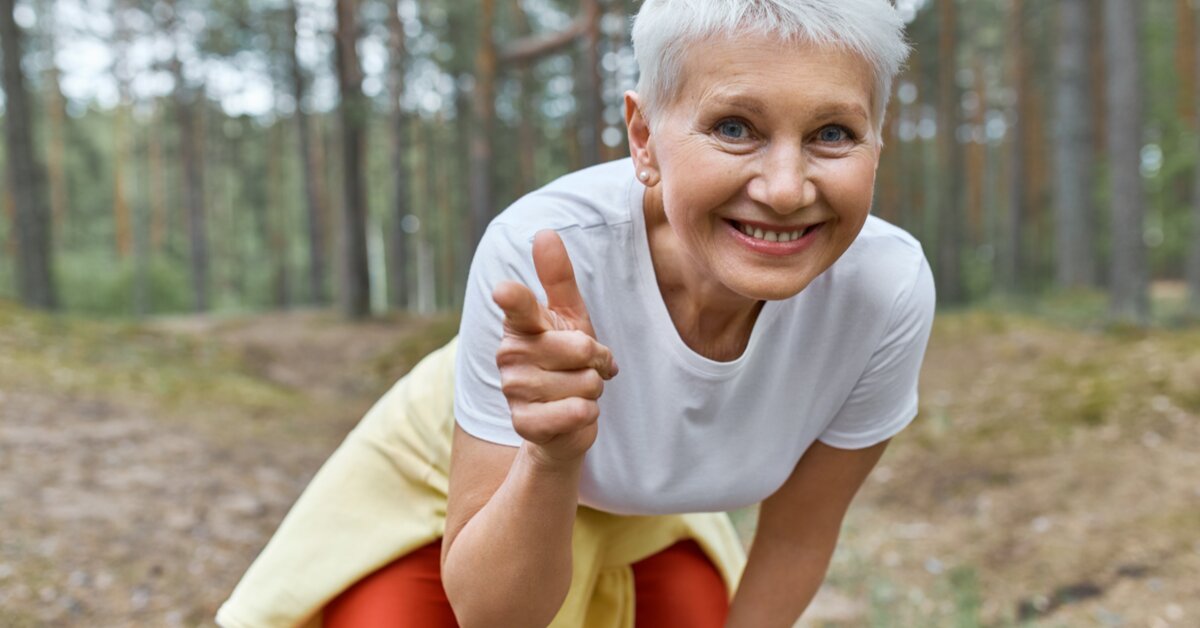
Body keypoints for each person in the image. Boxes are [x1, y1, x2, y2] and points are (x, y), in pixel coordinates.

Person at [217, 0, 933, 626]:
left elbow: (798, 538)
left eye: (832, 133)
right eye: (735, 128)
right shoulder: (544, 248)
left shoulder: (886, 292)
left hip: (644, 519)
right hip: (459, 493)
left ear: (877, 138)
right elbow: (496, 618)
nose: (784, 190)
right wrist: (550, 453)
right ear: (645, 138)